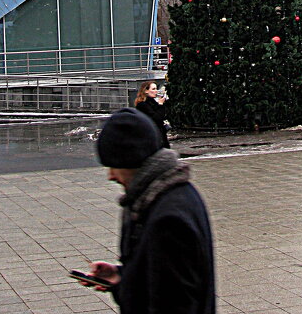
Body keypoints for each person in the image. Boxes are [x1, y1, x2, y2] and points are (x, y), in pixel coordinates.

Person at [76, 108, 216, 314]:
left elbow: (174, 305)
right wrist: (121, 277)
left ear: (132, 161)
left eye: (114, 166)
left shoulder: (168, 220)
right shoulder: (170, 194)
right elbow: (162, 279)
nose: (111, 176)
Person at [134, 80, 170, 148]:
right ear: (146, 91)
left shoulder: (153, 102)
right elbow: (157, 118)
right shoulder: (143, 105)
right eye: (153, 89)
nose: (156, 91)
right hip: (150, 136)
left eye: (156, 88)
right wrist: (160, 105)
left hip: (159, 135)